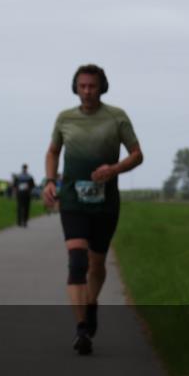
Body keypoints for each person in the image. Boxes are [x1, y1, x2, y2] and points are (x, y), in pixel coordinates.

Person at [42, 64, 142, 355]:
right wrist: (50, 180)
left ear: (102, 87)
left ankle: (90, 302)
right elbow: (52, 151)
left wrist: (114, 169)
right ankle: (82, 328)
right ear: (75, 87)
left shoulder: (116, 117)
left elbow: (137, 154)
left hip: (105, 203)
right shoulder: (65, 118)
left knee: (97, 265)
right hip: (73, 200)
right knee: (77, 263)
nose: (87, 91)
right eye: (82, 86)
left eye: (92, 86)